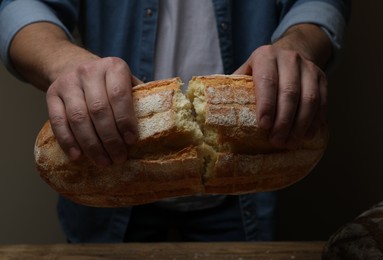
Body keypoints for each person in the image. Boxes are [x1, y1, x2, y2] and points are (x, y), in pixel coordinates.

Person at [0, 0, 351, 243]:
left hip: (244, 187)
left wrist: (300, 44)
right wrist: (62, 60)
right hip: (108, 175)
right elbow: (22, 5)